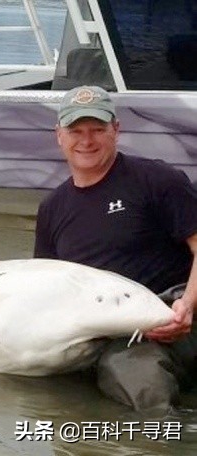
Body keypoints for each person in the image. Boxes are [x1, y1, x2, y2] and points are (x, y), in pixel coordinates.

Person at [34, 85, 197, 410]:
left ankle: (167, 441)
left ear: (116, 130)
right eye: (76, 131)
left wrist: (187, 305)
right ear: (59, 136)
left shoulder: (157, 180)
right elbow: (45, 285)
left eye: (97, 129)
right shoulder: (52, 208)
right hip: (100, 330)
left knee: (141, 381)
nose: (87, 141)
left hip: (171, 317)